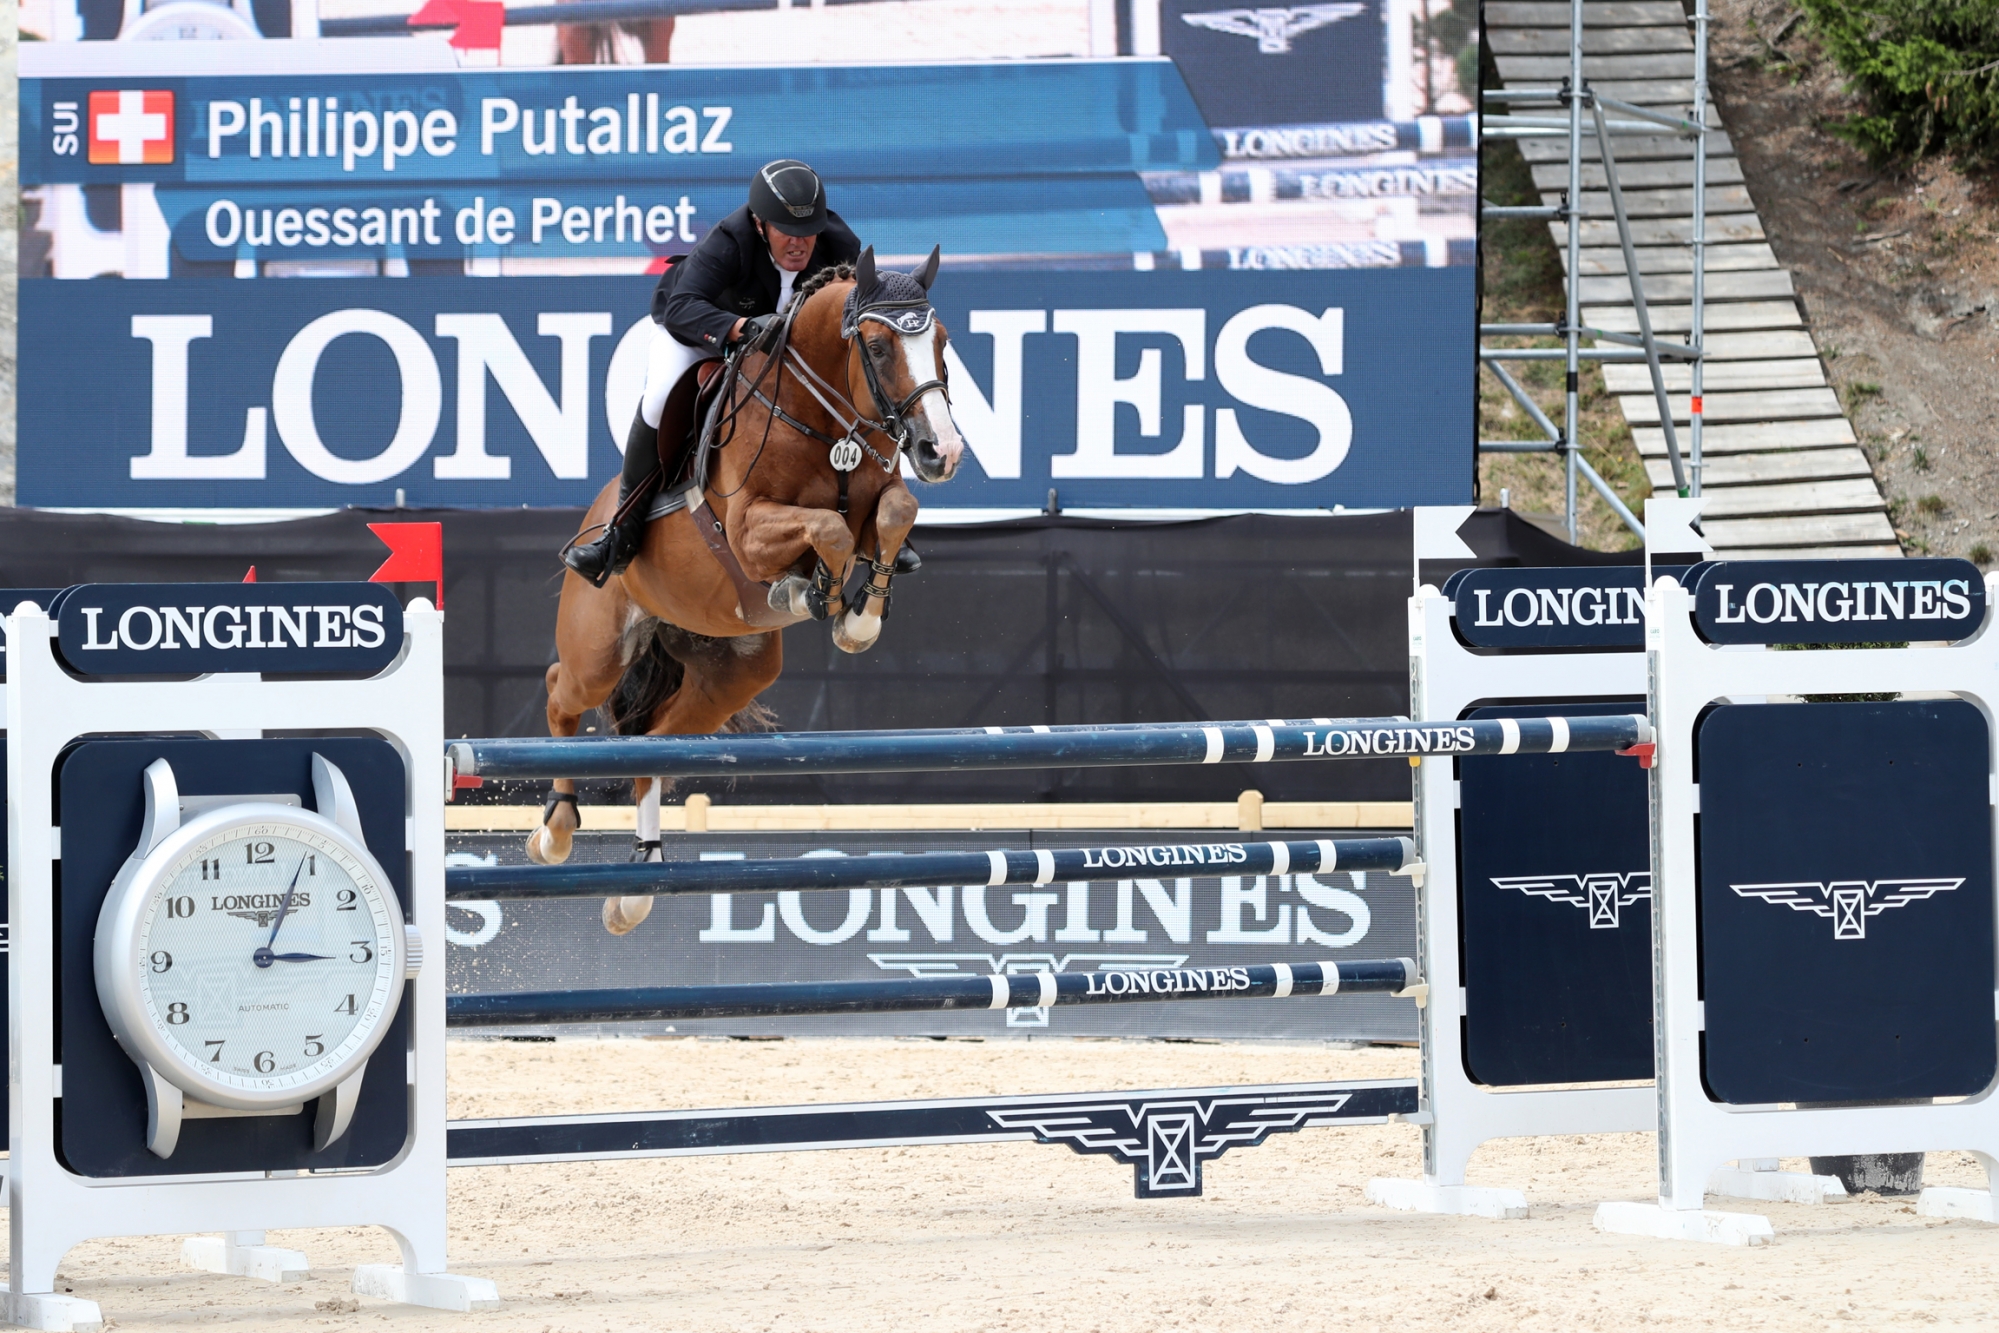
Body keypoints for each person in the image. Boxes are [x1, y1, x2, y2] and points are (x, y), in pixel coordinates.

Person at [563, 159, 864, 586]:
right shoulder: (730, 240)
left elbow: (863, 311)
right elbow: (682, 306)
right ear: (760, 225)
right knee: (659, 400)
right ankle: (621, 534)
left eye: (808, 232)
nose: (799, 244)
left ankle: (874, 520)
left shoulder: (839, 245)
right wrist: (738, 328)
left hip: (784, 343)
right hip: (700, 330)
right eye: (786, 231)